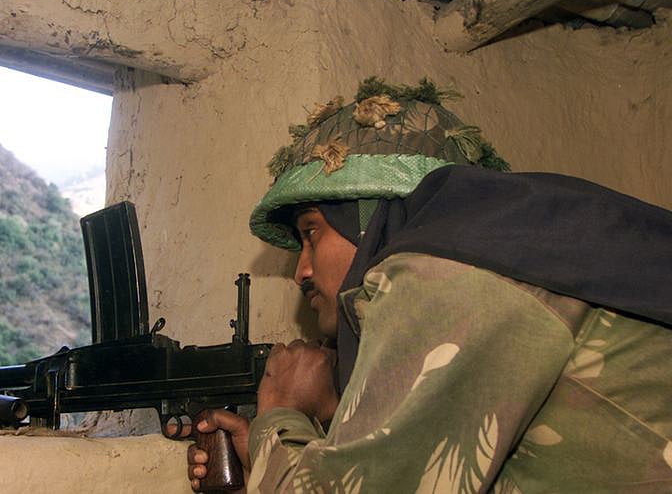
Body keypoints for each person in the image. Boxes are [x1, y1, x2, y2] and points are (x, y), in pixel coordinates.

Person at [185, 78, 672, 492]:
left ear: (369, 216)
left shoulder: (446, 274)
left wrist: (281, 413)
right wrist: (325, 426)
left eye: (312, 232)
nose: (301, 271)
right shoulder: (498, 253)